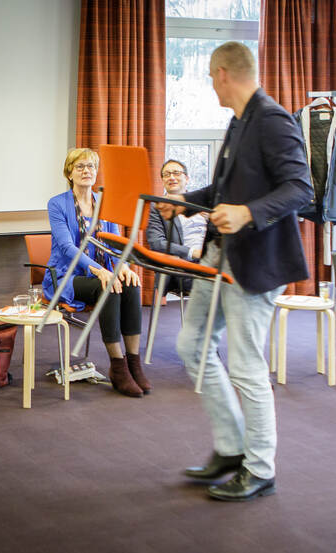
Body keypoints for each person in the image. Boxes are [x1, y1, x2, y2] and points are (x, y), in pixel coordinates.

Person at [157, 41, 312, 502]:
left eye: (210, 75)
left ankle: (260, 467)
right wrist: (184, 205)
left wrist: (248, 213)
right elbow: (225, 188)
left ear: (224, 73)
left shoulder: (273, 119)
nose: (210, 83)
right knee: (192, 346)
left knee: (246, 365)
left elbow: (300, 188)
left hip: (257, 262)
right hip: (217, 256)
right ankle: (230, 448)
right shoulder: (239, 120)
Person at [45, 148, 148, 398]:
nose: (86, 171)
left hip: (102, 271)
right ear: (69, 172)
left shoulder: (105, 202)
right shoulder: (57, 203)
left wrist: (123, 266)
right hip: (67, 276)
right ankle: (117, 366)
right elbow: (67, 247)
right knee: (108, 286)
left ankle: (133, 361)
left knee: (131, 284)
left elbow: (114, 243)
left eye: (91, 166)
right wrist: (101, 270)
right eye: (80, 166)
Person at [146, 159, 208, 294]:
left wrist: (211, 218)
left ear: (187, 178)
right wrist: (192, 252)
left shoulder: (202, 205)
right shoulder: (157, 207)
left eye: (176, 173)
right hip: (184, 266)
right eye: (167, 174)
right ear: (162, 181)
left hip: (210, 259)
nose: (172, 177)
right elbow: (157, 243)